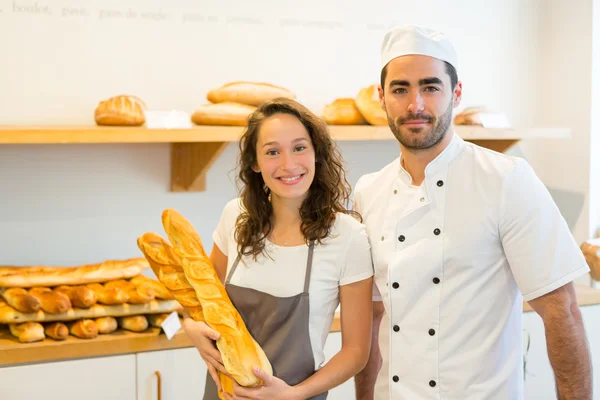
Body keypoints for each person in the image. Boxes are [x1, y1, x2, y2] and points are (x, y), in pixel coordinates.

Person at [353, 25, 592, 400]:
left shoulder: (506, 181)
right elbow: (372, 317)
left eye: (430, 87)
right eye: (400, 89)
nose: (415, 104)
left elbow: (562, 313)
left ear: (456, 94)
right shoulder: (368, 191)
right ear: (381, 97)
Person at [182, 97, 374, 400]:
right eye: (272, 152)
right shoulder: (235, 216)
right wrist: (191, 327)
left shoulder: (347, 236)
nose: (288, 164)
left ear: (316, 153)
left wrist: (294, 394)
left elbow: (356, 352)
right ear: (255, 163)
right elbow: (201, 299)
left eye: (299, 148)